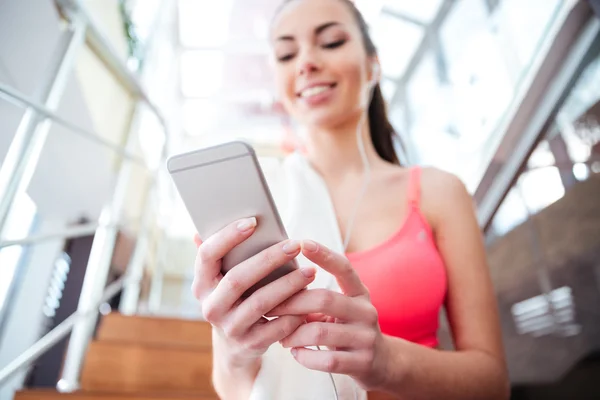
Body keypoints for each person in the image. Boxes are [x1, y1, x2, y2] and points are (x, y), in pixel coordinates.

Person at [191, 0, 509, 398]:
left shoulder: (438, 193)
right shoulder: (255, 209)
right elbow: (232, 387)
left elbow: (493, 384)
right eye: (287, 54)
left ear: (373, 65)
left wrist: (387, 362)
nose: (306, 62)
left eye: (331, 41)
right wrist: (234, 348)